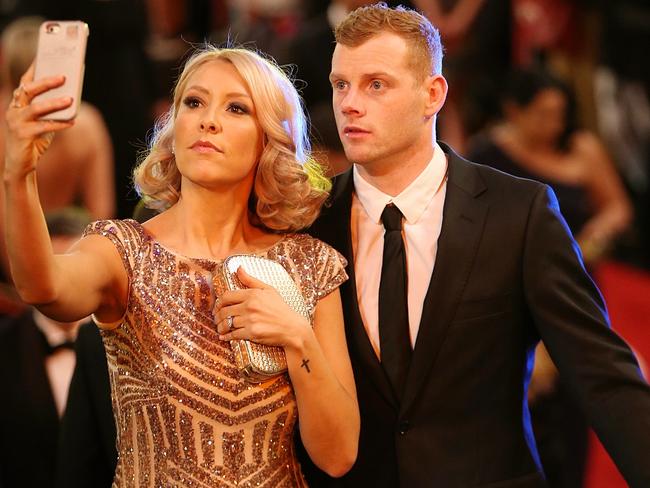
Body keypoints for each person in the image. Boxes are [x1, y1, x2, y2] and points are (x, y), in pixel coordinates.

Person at [303, 4, 650, 487]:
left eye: (375, 85)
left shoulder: (519, 213)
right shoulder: (309, 223)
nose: (350, 104)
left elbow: (604, 376)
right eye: (341, 84)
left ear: (433, 94)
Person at [3, 44, 359, 486]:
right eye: (194, 102)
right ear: (175, 127)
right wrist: (16, 175)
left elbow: (339, 455)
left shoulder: (310, 263)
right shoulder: (122, 251)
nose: (208, 119)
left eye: (235, 108)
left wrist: (297, 338)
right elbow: (44, 288)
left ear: (269, 139)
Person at [0, 16, 115, 280]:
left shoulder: (5, 129)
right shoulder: (88, 124)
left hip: (19, 268)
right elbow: (101, 218)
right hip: (73, 262)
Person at [0, 207, 92, 487]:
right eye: (51, 267)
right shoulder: (4, 345)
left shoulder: (126, 342)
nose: (62, 284)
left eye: (73, 267)